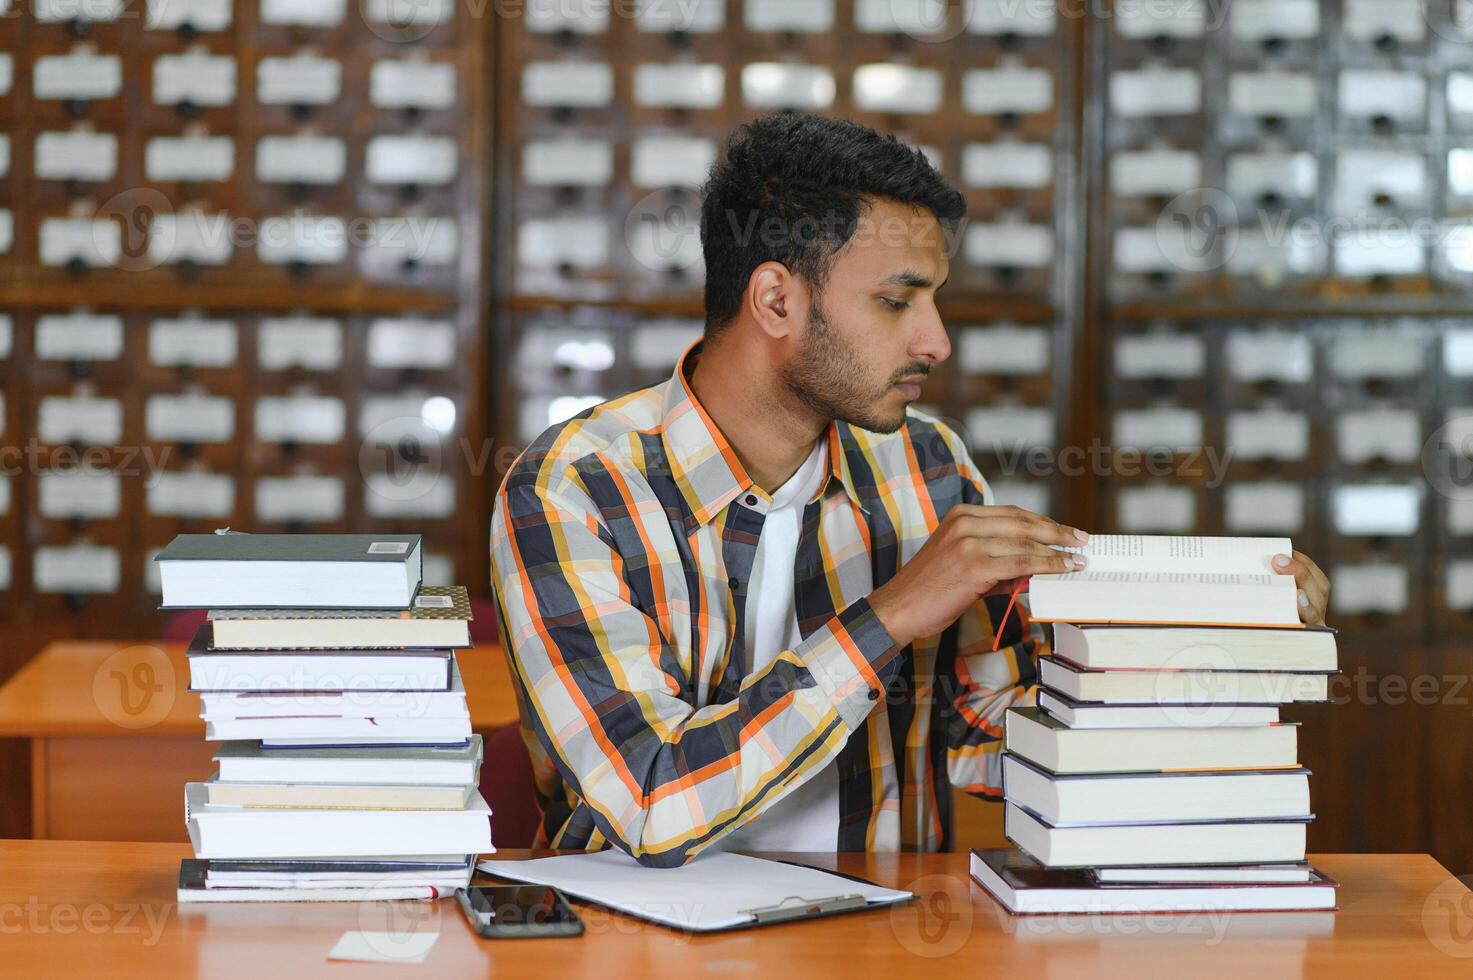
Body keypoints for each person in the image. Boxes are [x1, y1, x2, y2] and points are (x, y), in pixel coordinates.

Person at [489, 111, 1331, 868]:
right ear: (775, 299)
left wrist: (1201, 644)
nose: (937, 340)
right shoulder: (573, 488)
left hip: (884, 936)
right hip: (638, 947)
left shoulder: (925, 463)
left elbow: (982, 740)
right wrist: (892, 614)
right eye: (897, 302)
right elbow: (648, 800)